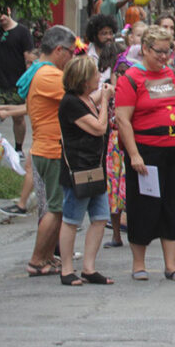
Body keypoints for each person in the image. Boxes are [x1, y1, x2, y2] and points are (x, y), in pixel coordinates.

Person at [0, 26, 77, 276]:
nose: (72, 58)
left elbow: (30, 107)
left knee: (53, 207)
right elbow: (79, 96)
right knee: (55, 208)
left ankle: (47, 257)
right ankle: (38, 259)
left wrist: (8, 110)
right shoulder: (49, 75)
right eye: (71, 52)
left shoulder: (39, 72)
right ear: (59, 50)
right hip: (51, 149)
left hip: (46, 147)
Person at [115, 25, 175, 282]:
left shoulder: (171, 75)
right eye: (159, 52)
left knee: (172, 205)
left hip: (174, 147)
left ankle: (171, 264)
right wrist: (134, 154)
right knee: (143, 206)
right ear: (145, 50)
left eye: (168, 52)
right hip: (146, 150)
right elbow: (123, 119)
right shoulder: (130, 78)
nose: (164, 57)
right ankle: (139, 264)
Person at [57, 56, 115, 286]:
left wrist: (105, 92)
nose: (99, 77)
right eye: (95, 74)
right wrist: (106, 99)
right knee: (72, 220)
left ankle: (89, 268)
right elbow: (99, 128)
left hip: (95, 168)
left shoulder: (84, 99)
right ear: (83, 80)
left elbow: (94, 98)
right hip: (79, 170)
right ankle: (67, 269)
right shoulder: (70, 103)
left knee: (100, 218)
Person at [0, 8, 34, 154]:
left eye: (3, 14)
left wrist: (28, 84)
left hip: (16, 83)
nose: (0, 18)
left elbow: (29, 58)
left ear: (9, 11)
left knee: (18, 118)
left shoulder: (22, 32)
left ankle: (19, 149)